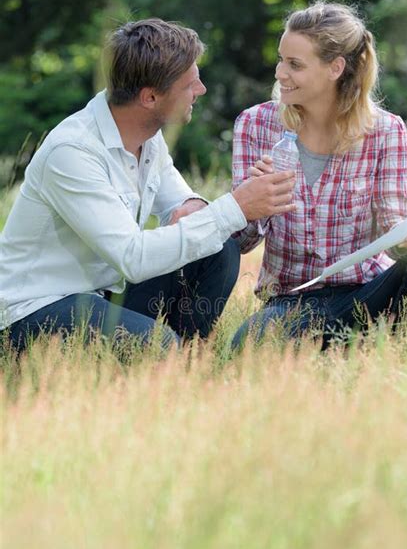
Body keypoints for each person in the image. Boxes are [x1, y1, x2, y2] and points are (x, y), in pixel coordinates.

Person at [0, 18, 296, 352]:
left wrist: (195, 207)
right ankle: (165, 356)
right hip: (34, 308)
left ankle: (188, 356)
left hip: (104, 293)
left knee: (219, 248)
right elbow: (133, 257)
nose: (201, 91)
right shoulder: (72, 153)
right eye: (190, 85)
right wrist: (237, 206)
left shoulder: (146, 138)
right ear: (150, 97)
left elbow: (182, 200)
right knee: (158, 344)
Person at [231, 0, 407, 350]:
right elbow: (243, 242)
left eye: (294, 65)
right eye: (280, 59)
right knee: (248, 344)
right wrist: (250, 203)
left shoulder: (385, 130)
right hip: (292, 302)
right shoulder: (255, 125)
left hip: (367, 293)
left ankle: (395, 349)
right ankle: (348, 347)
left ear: (335, 67)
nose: (279, 73)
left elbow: (394, 230)